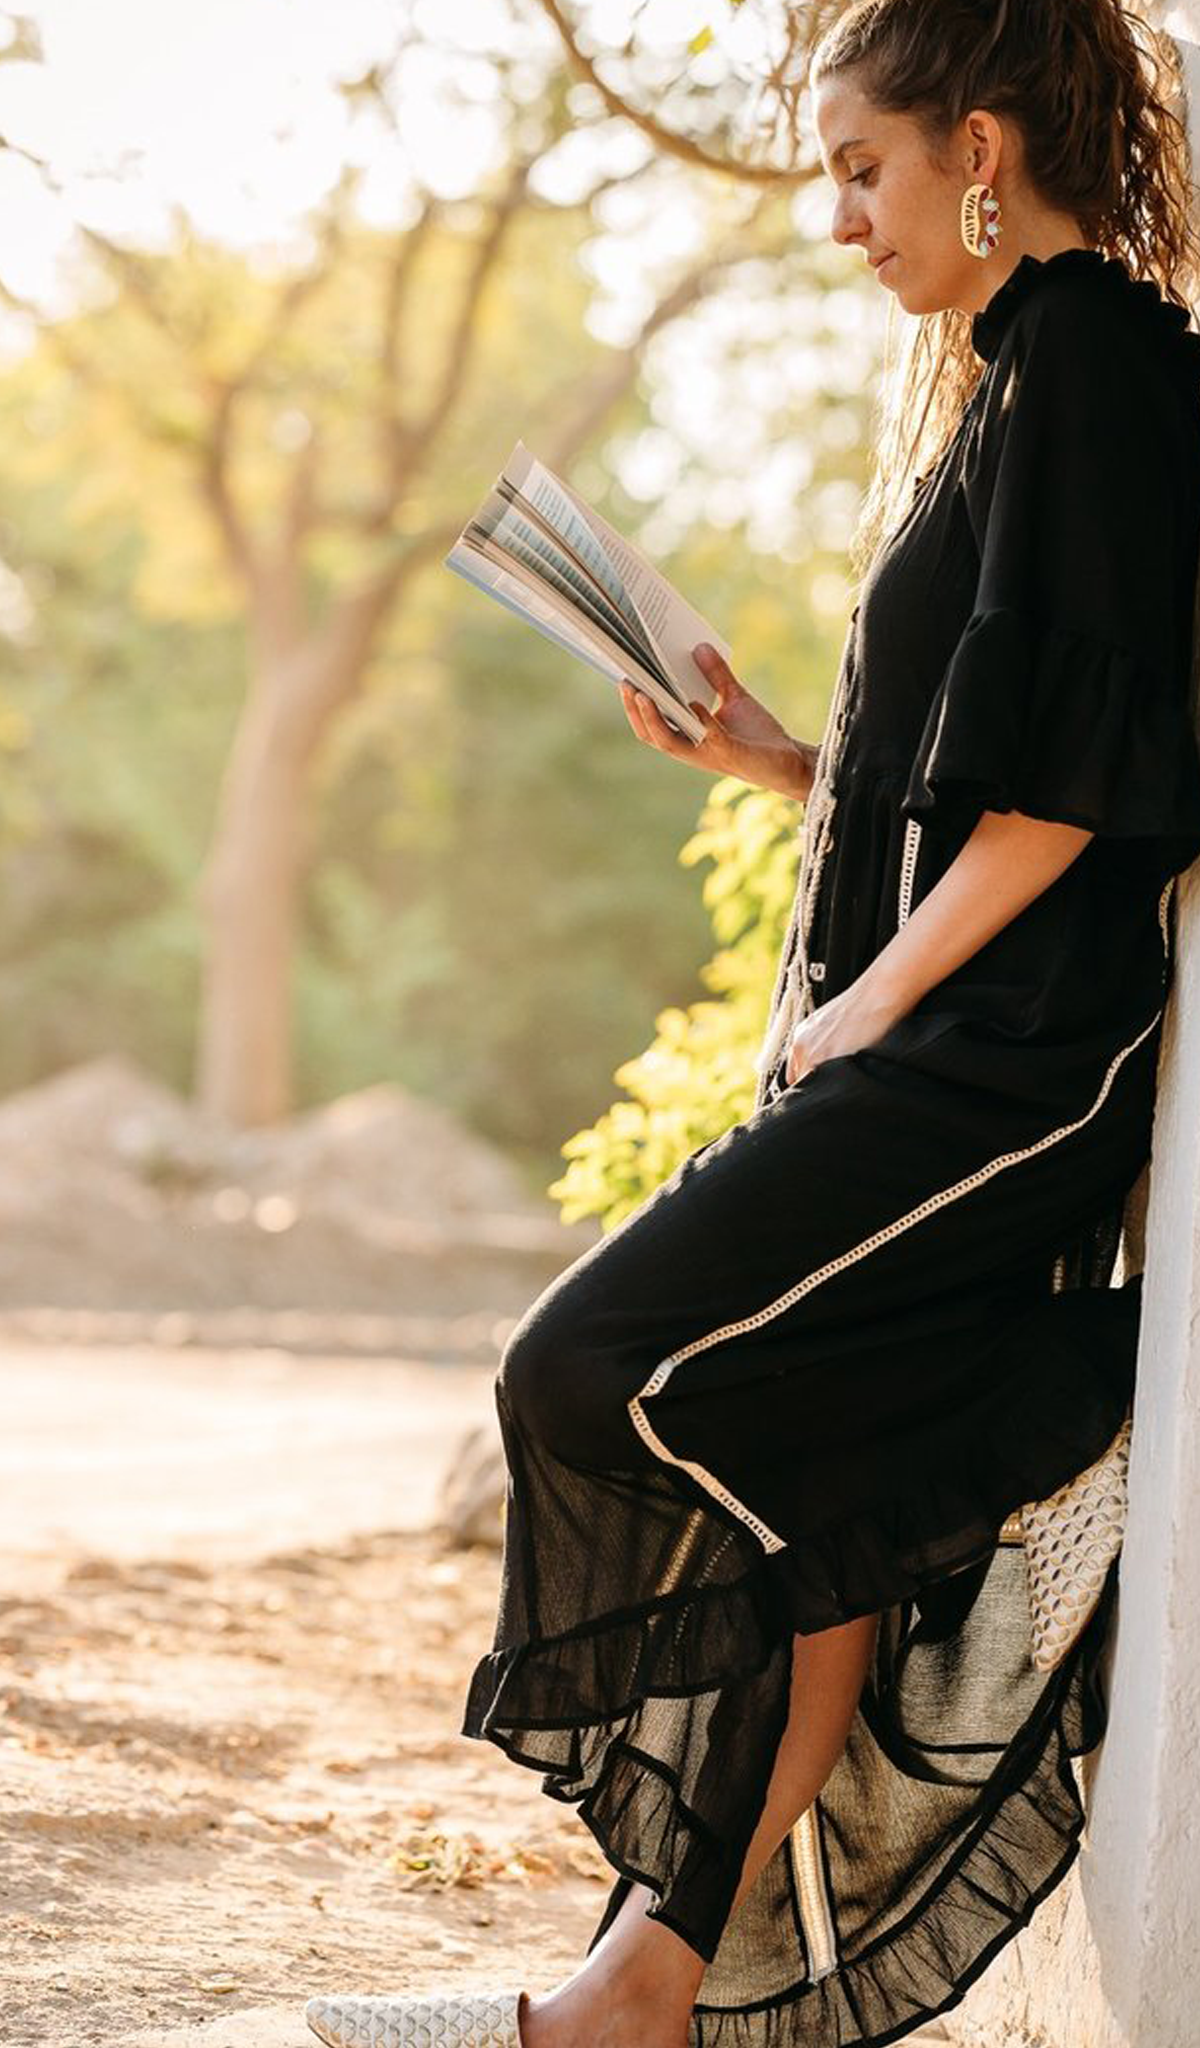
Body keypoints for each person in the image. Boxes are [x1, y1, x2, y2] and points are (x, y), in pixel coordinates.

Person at [305, 2, 1200, 2044]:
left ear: (983, 147)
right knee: (808, 1494)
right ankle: (630, 1993)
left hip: (1001, 1068)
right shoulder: (1020, 377)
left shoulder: (1097, 362)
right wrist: (790, 766)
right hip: (939, 1041)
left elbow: (1071, 796)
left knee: (587, 1370)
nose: (839, 221)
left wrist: (872, 1002)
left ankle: (1070, 1392)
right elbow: (992, 768)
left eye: (861, 170)